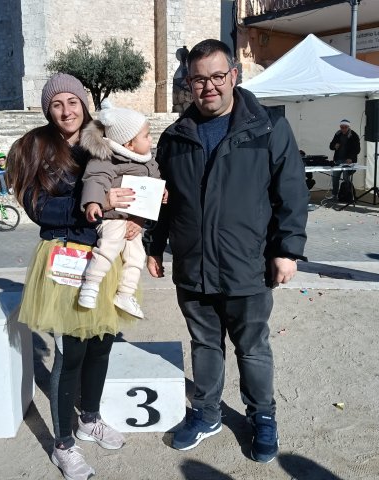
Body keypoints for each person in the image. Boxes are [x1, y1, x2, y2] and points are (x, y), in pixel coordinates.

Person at [144, 39, 309, 464]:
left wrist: (287, 249)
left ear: (234, 75)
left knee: (252, 348)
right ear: (189, 84)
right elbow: (161, 200)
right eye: (199, 79)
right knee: (204, 345)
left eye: (217, 76)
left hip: (247, 265)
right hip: (193, 265)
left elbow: (291, 193)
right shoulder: (174, 138)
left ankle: (263, 416)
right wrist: (153, 246)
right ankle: (207, 413)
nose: (209, 87)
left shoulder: (268, 127)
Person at [6, 73, 142, 480]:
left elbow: (136, 182)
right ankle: (63, 444)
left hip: (104, 256)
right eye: (56, 104)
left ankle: (90, 420)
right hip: (64, 259)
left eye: (72, 102)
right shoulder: (32, 147)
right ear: (47, 110)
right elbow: (38, 209)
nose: (66, 111)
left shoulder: (104, 141)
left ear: (84, 103)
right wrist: (95, 204)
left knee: (101, 344)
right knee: (70, 354)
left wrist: (137, 218)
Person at [78, 101, 161, 319]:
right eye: (146, 136)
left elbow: (155, 179)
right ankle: (91, 284)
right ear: (129, 144)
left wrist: (162, 191)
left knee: (137, 256)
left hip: (133, 221)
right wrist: (94, 202)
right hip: (113, 218)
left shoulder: (147, 161)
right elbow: (95, 179)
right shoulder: (107, 159)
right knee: (109, 247)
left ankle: (125, 293)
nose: (151, 140)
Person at [328, 119, 361, 201]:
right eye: (342, 127)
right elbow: (331, 145)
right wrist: (334, 146)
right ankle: (334, 195)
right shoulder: (338, 134)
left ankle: (347, 196)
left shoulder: (354, 135)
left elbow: (357, 149)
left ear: (348, 127)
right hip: (338, 160)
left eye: (345, 127)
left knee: (346, 179)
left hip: (348, 161)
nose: (343, 129)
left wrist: (351, 158)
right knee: (335, 178)